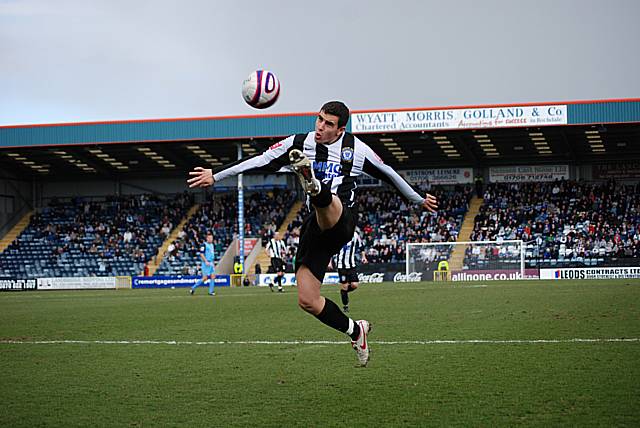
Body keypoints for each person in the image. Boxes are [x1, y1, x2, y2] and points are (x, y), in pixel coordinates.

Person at [188, 101, 437, 366]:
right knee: (307, 299)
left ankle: (315, 186)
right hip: (315, 228)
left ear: (340, 130)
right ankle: (356, 331)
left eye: (328, 124)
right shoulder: (298, 142)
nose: (320, 126)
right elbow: (259, 160)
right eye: (319, 119)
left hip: (342, 219)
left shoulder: (356, 149)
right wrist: (215, 175)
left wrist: (418, 198)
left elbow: (388, 173)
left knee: (327, 200)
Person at [334, 228, 367, 313]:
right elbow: (331, 250)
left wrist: (363, 257)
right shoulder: (337, 235)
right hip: (341, 266)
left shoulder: (355, 235)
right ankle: (345, 306)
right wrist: (330, 262)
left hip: (351, 265)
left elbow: (361, 247)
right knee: (344, 285)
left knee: (355, 285)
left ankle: (343, 292)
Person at [189, 231, 216, 296]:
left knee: (213, 276)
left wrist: (213, 263)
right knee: (205, 278)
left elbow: (212, 254)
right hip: (205, 263)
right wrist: (206, 261)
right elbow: (201, 254)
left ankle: (211, 291)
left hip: (211, 262)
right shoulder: (203, 245)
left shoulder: (212, 245)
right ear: (207, 238)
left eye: (211, 238)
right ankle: (193, 288)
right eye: (209, 238)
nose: (211, 239)